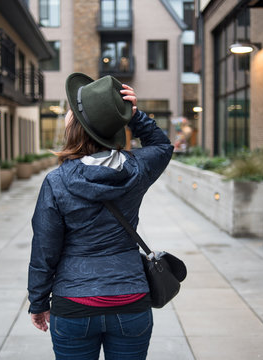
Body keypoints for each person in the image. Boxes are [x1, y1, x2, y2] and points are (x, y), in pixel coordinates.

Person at [28, 72, 174, 359]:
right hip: (131, 300)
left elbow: (45, 250)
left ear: (76, 129)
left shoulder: (56, 182)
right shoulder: (137, 169)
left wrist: (38, 301)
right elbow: (161, 146)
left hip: (73, 303)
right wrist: (134, 115)